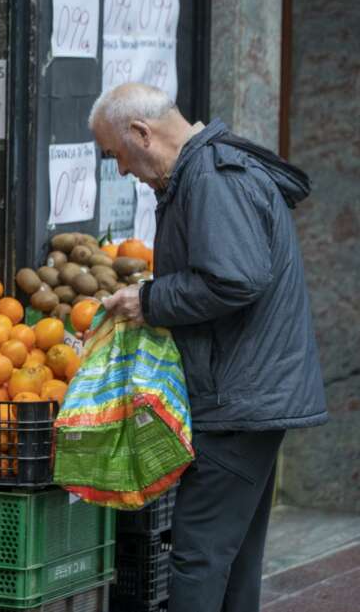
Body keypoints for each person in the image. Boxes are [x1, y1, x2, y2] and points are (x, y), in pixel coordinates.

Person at [88, 83, 327, 612]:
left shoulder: (214, 177)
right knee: (231, 555)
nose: (122, 171)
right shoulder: (206, 172)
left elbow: (235, 279)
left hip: (239, 398)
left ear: (141, 134)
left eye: (117, 155)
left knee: (198, 555)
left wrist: (150, 300)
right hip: (247, 392)